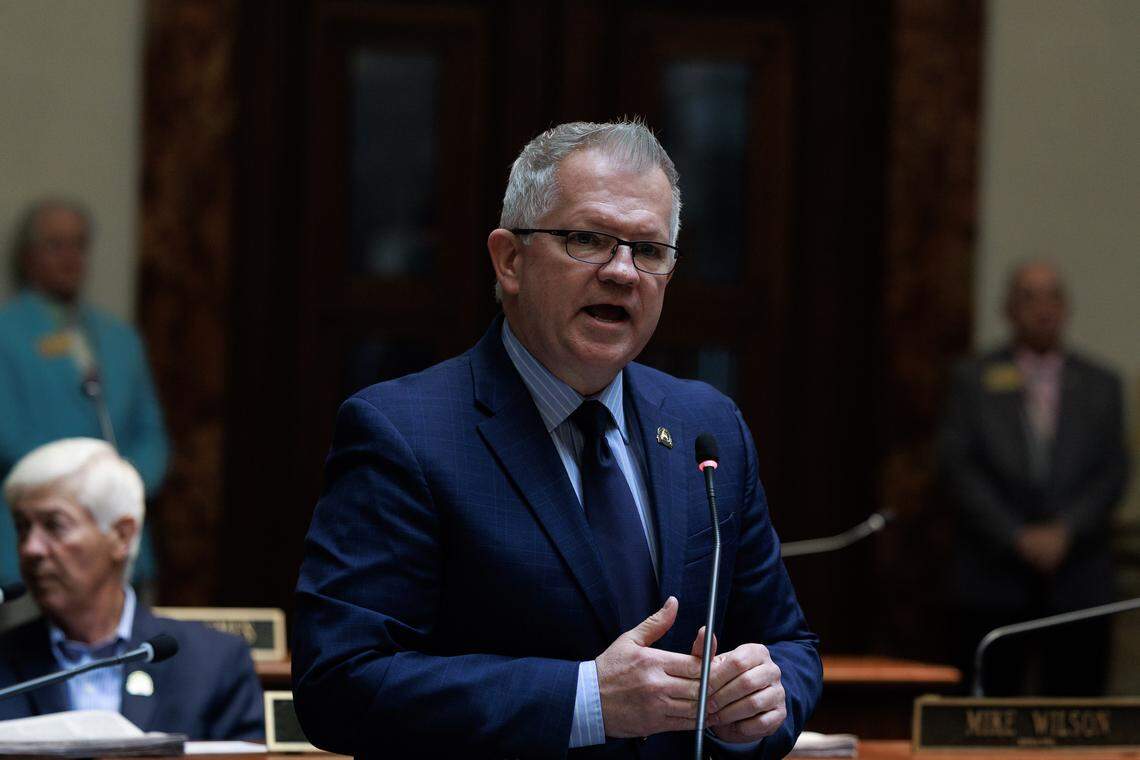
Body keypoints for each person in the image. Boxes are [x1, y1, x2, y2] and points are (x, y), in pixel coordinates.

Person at [293, 120, 821, 758]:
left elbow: (789, 646)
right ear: (509, 260)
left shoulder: (706, 425)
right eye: (588, 239)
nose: (623, 272)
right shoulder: (404, 432)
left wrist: (763, 701)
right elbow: (340, 684)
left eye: (648, 250)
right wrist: (587, 701)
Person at [939, 260, 1130, 696]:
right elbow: (958, 469)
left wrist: (1065, 532)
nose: (1042, 307)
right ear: (1008, 309)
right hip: (993, 575)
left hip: (1078, 577)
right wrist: (1014, 535)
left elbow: (1112, 473)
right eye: (1029, 296)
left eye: (1052, 296)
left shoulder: (1102, 383)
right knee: (989, 716)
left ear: (1066, 307)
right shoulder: (973, 378)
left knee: (1076, 717)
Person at [0, 438, 264, 740]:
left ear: (121, 536)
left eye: (54, 525)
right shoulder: (4, 660)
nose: (31, 548)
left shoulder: (214, 662)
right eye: (23, 527)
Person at [0, 198, 168, 594]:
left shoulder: (119, 338)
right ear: (28, 256)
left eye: (79, 244)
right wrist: (83, 492)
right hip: (39, 545)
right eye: (56, 245)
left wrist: (124, 485)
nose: (71, 256)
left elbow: (152, 434)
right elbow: (8, 437)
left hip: (122, 546)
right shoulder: (6, 334)